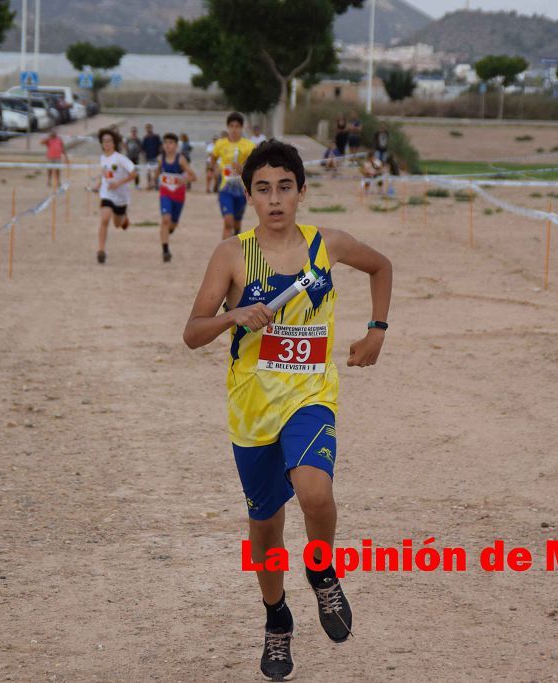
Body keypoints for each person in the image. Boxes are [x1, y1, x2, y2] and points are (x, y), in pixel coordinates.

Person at [182, 140, 392, 682]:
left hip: (311, 396)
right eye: (262, 189)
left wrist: (377, 331)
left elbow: (381, 267)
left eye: (284, 187)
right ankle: (277, 618)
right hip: (252, 409)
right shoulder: (232, 255)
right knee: (265, 524)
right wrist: (235, 317)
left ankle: (322, 569)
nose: (275, 199)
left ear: (301, 191)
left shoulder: (329, 245)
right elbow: (192, 333)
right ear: (249, 195)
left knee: (315, 492)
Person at [90, 128, 137, 265]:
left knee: (117, 224)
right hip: (107, 194)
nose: (106, 143)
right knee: (104, 219)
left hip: (121, 197)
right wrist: (98, 185)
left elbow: (134, 173)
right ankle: (101, 250)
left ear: (114, 143)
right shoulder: (102, 158)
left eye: (109, 141)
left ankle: (124, 219)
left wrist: (119, 183)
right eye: (104, 141)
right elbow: (104, 174)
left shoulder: (120, 159)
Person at [212, 113, 257, 240]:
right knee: (228, 222)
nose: (234, 129)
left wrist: (243, 169)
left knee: (236, 223)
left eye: (237, 126)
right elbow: (213, 159)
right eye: (231, 126)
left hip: (241, 190)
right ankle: (225, 255)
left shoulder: (249, 145)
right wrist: (213, 169)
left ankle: (236, 235)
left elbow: (254, 166)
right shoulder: (220, 144)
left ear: (241, 128)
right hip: (225, 188)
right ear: (228, 127)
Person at [157, 133, 198, 263]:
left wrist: (183, 180)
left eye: (170, 143)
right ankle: (165, 250)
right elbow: (157, 171)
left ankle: (168, 232)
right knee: (165, 219)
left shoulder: (180, 160)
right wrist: (155, 180)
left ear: (176, 145)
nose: (168, 146)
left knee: (173, 223)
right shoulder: (160, 158)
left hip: (178, 195)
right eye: (165, 143)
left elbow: (193, 176)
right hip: (165, 193)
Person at [141, 123, 162, 191]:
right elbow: (143, 148)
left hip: (156, 156)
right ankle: (149, 185)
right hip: (148, 157)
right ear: (146, 129)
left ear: (152, 128)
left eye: (149, 128)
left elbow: (160, 146)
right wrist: (143, 156)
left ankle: (156, 185)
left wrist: (160, 155)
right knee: (148, 172)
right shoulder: (145, 138)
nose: (148, 129)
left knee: (156, 171)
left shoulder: (156, 137)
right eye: (147, 128)